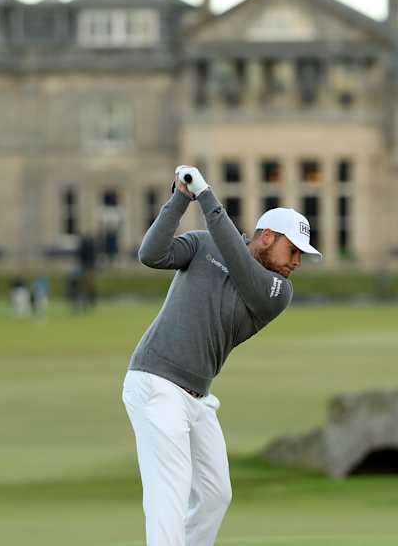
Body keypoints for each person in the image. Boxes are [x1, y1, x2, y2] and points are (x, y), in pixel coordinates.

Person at [122, 165, 320, 546]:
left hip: (196, 398)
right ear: (266, 236)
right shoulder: (204, 243)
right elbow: (151, 254)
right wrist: (180, 197)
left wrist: (207, 196)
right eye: (293, 250)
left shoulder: (277, 290)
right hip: (156, 382)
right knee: (170, 492)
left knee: (215, 494)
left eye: (302, 255)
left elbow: (239, 262)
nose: (297, 261)